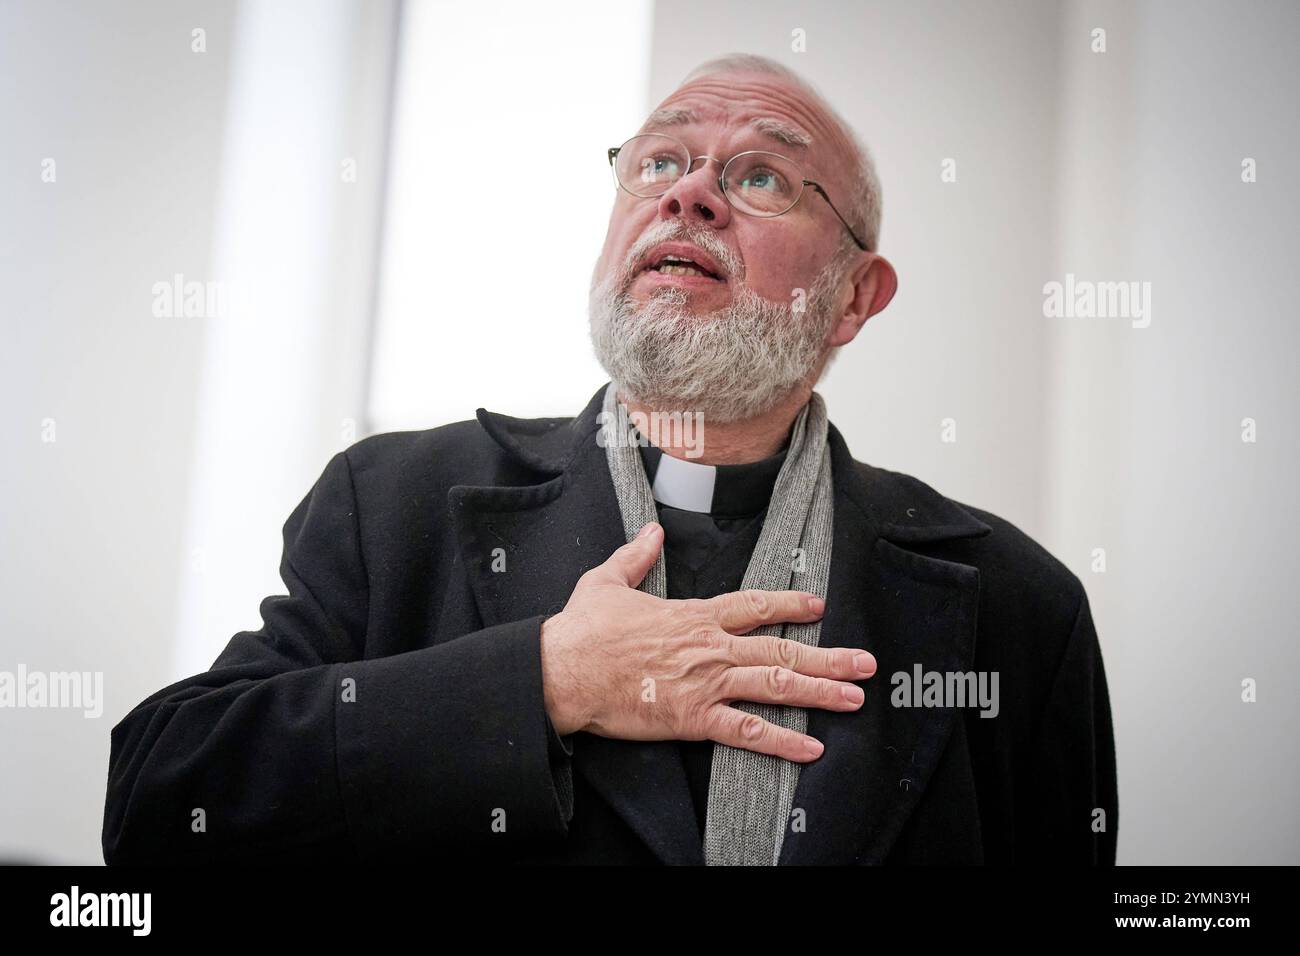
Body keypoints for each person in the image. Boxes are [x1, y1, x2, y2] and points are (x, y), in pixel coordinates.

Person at [103, 53, 1116, 865]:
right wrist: (543, 680)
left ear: (855, 295)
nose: (691, 198)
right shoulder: (391, 506)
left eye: (759, 173)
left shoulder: (1015, 605)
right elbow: (157, 800)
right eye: (658, 162)